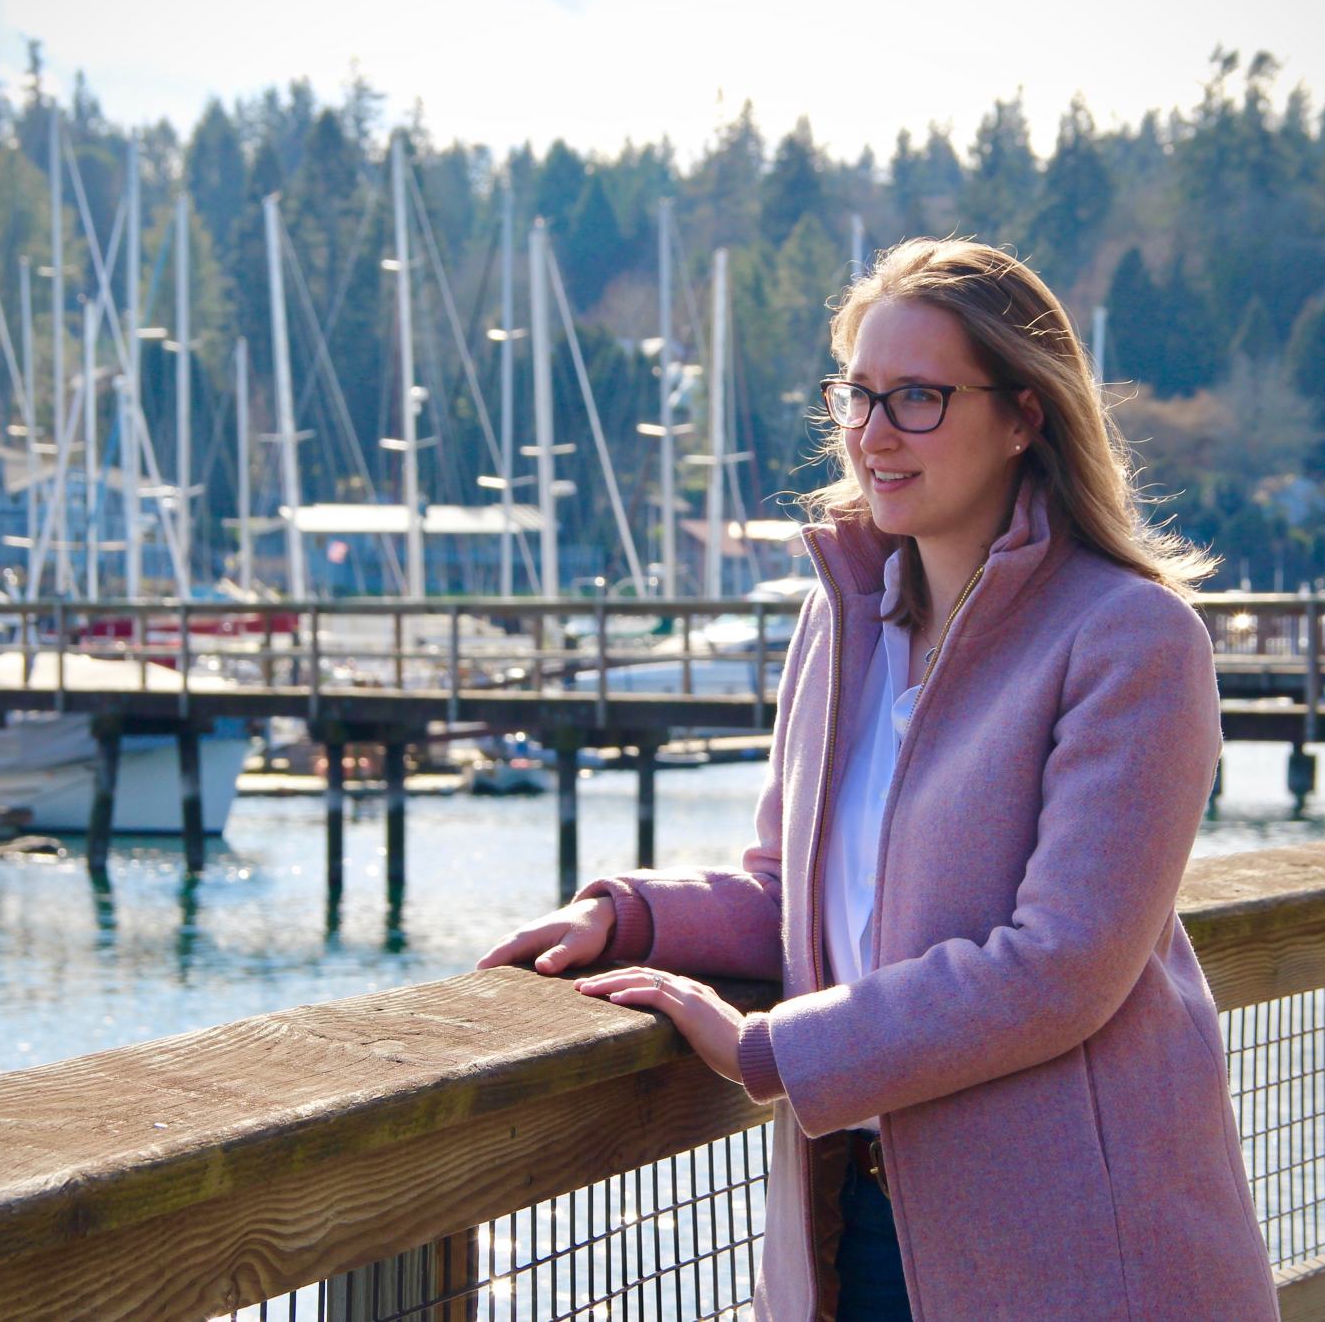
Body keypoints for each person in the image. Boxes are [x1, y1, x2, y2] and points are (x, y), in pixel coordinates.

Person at [477, 238, 1280, 1320]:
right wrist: (627, 919)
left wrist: (763, 1047)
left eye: (917, 397)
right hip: (847, 1221)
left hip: (1071, 1249)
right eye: (856, 394)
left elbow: (1063, 967)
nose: (871, 433)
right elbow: (797, 897)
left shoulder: (1130, 637)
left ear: (1024, 415)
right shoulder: (841, 618)